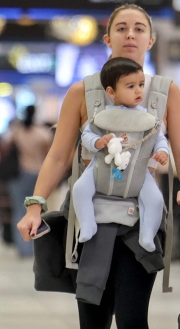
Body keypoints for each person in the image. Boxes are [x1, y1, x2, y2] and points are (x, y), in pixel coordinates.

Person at [17, 4, 180, 329]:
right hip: (90, 227)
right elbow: (61, 155)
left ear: (151, 40)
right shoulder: (83, 93)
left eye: (140, 28)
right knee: (93, 323)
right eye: (121, 28)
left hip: (140, 224)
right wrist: (35, 204)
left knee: (133, 319)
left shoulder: (163, 93)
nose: (130, 34)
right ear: (107, 39)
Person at [72, 58, 170, 251]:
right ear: (111, 92)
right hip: (101, 166)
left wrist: (161, 151)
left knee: (156, 200)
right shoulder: (103, 116)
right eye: (131, 86)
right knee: (79, 190)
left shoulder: (147, 118)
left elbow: (158, 138)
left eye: (141, 85)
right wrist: (97, 143)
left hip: (139, 169)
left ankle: (148, 234)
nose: (139, 91)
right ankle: (87, 224)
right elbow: (87, 135)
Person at [7, 104, 53, 256]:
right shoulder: (42, 133)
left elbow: (7, 147)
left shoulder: (17, 131)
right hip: (38, 175)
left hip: (19, 174)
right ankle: (35, 245)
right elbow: (50, 155)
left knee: (19, 210)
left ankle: (22, 247)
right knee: (37, 210)